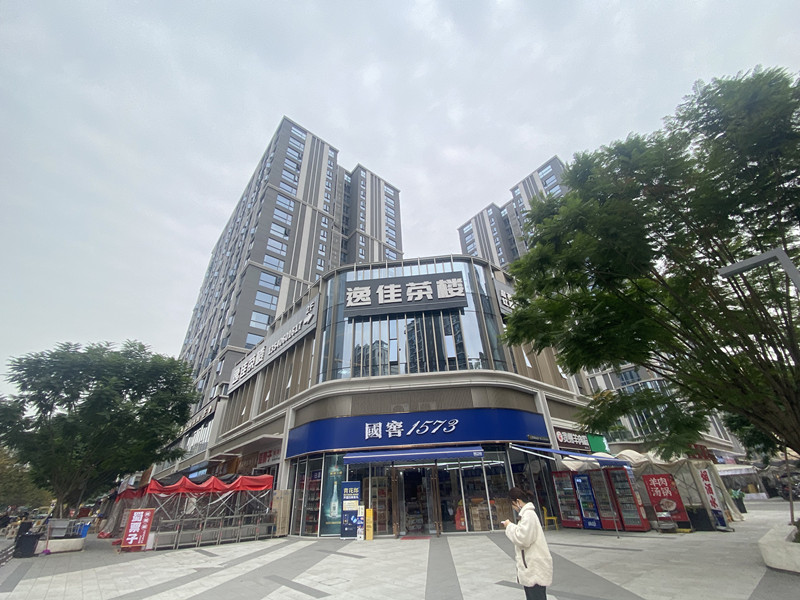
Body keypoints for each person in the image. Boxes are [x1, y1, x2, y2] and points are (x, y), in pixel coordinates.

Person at [500, 487, 553, 600]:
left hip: (534, 568)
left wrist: (509, 526)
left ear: (518, 502)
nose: (514, 508)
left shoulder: (528, 515)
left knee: (535, 596)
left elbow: (523, 538)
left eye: (513, 505)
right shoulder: (527, 514)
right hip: (532, 566)